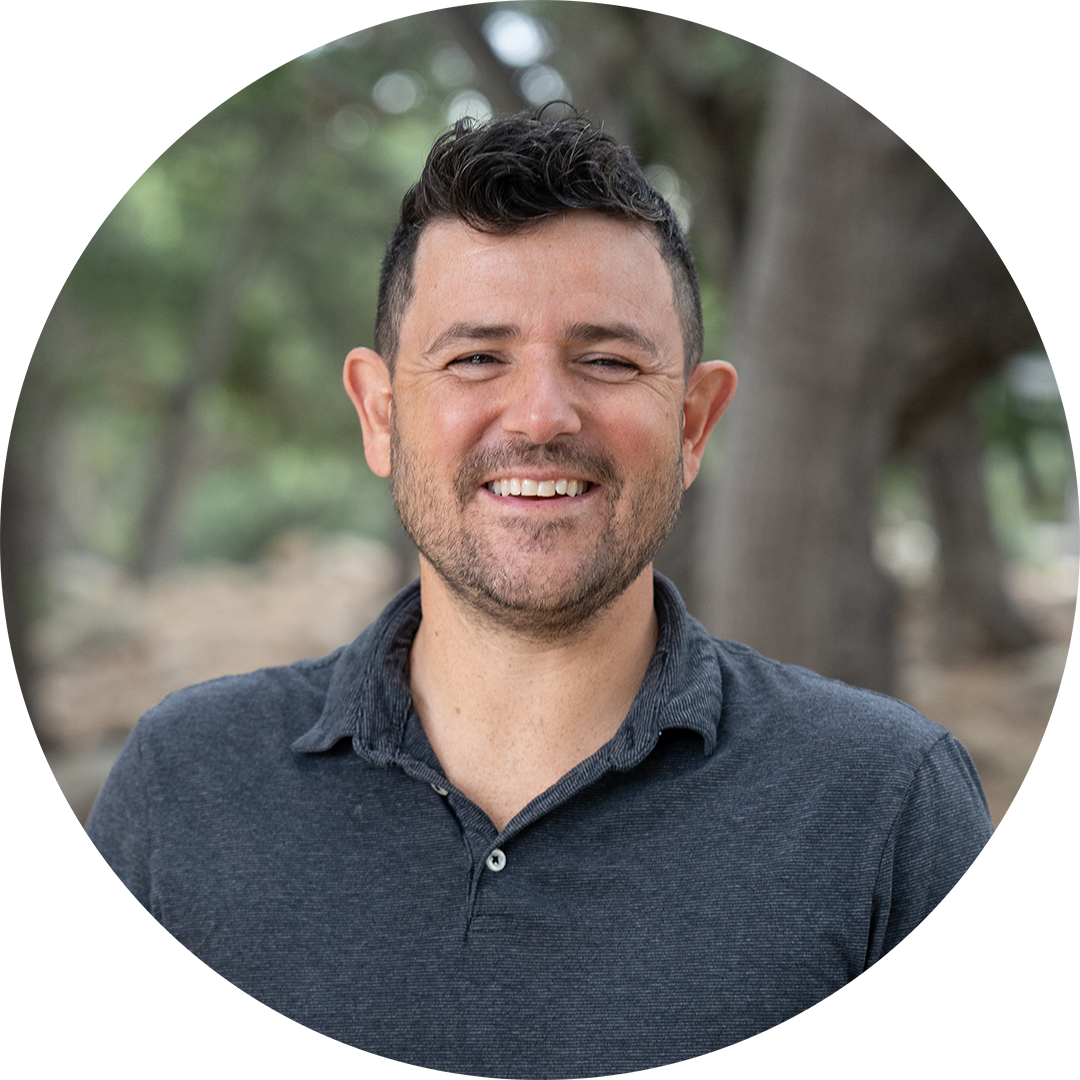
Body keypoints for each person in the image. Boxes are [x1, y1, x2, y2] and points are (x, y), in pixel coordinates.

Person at [86, 110, 993, 1073]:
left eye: (608, 360)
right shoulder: (183, 784)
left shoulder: (886, 803)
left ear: (694, 423)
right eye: (476, 357)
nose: (542, 416)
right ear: (380, 414)